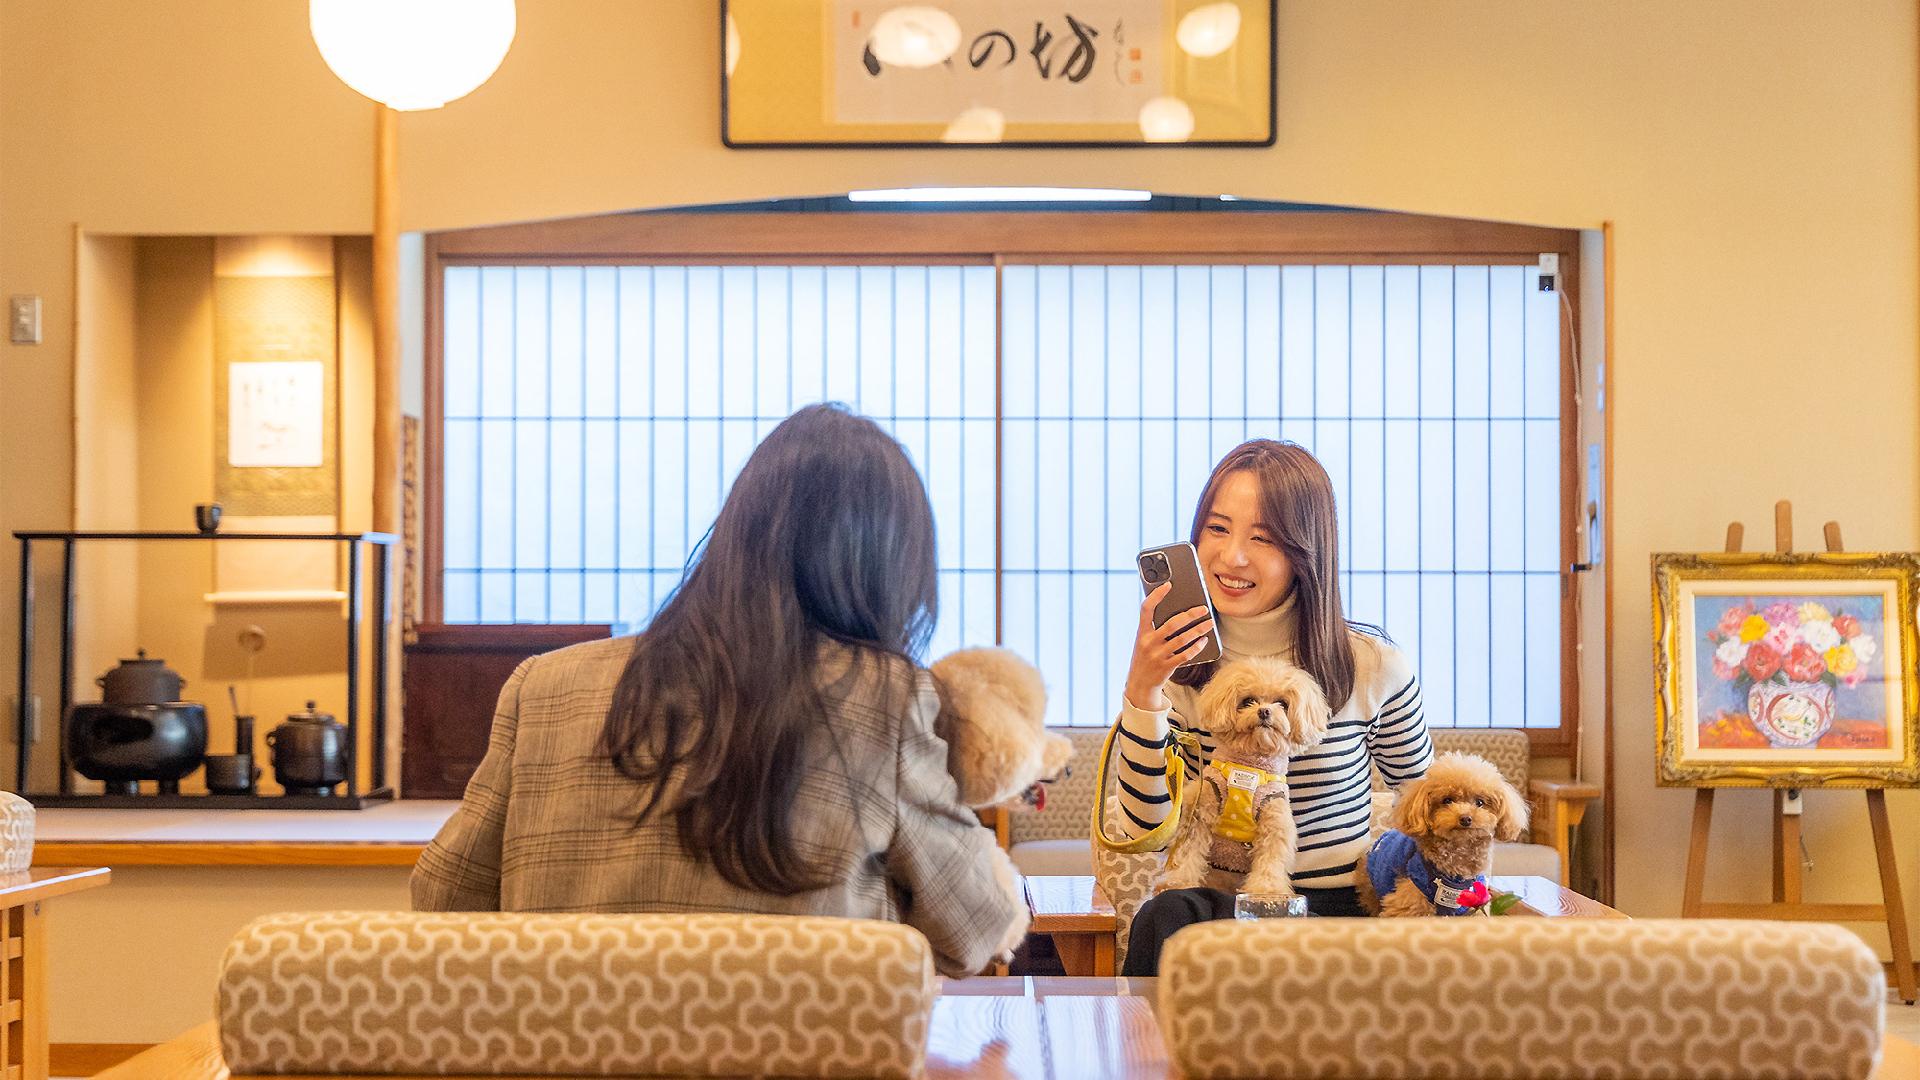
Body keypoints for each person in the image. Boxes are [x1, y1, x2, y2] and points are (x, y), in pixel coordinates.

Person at [412, 403, 1024, 977]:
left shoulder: (544, 685)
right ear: (888, 570)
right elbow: (972, 927)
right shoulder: (884, 697)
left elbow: (443, 898)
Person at [1107, 440, 1433, 975]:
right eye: (1217, 529)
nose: (1231, 557)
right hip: (1222, 902)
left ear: (1306, 552)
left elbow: (1425, 802)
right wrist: (1143, 690)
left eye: (1261, 537)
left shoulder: (1372, 665)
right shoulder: (1181, 669)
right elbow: (1144, 822)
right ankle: (1146, 1059)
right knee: (1163, 916)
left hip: (1335, 910)